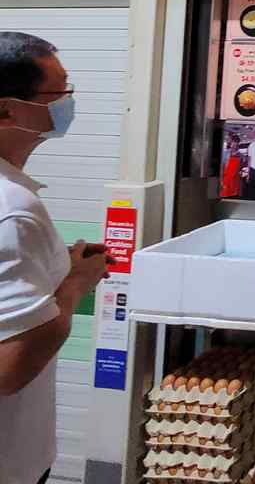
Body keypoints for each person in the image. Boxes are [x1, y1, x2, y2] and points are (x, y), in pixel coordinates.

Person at [0, 32, 111, 484]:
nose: (67, 102)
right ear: (8, 109)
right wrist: (75, 282)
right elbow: (11, 365)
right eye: (58, 91)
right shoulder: (13, 211)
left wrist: (52, 265)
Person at [219, 134, 242, 199]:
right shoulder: (225, 153)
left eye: (236, 142)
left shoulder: (240, 155)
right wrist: (221, 180)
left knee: (234, 198)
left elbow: (240, 168)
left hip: (235, 180)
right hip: (226, 179)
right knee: (225, 198)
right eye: (233, 142)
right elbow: (222, 167)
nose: (235, 144)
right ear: (231, 143)